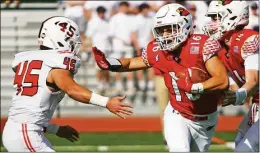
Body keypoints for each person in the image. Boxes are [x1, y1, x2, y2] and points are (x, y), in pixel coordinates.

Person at [92, 4, 229, 152]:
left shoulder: (201, 45)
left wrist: (194, 87)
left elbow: (222, 80)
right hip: (177, 114)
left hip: (206, 118)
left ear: (185, 26)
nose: (165, 35)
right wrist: (110, 63)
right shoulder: (157, 50)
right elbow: (132, 62)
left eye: (170, 29)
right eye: (161, 30)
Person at [2, 16, 133, 152]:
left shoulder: (36, 61)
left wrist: (56, 129)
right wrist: (106, 102)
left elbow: (30, 115)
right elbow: (72, 89)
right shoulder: (55, 64)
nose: (73, 47)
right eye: (71, 42)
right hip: (25, 134)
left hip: (20, 131)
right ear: (59, 39)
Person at [203, 1, 259, 152]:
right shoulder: (222, 46)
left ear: (232, 17)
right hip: (257, 103)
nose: (212, 23)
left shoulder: (248, 40)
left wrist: (238, 96)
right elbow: (235, 86)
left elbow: (253, 81)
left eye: (216, 18)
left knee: (245, 148)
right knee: (240, 141)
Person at [86, 6, 112, 94]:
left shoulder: (107, 22)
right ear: (97, 13)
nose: (102, 14)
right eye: (100, 13)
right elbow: (89, 36)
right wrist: (89, 49)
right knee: (99, 67)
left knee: (107, 66)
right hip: (97, 48)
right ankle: (99, 84)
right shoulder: (93, 22)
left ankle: (106, 84)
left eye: (103, 13)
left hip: (107, 48)